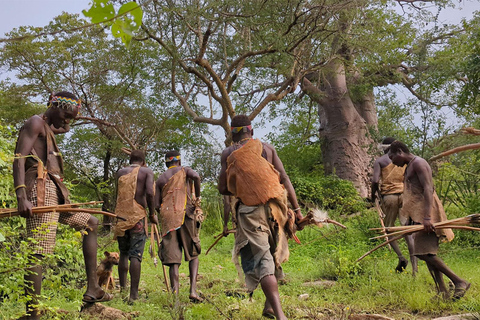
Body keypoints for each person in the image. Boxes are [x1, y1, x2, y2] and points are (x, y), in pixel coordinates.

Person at [13, 91, 111, 319]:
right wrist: (21, 195)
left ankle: (92, 288)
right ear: (54, 105)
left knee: (91, 222)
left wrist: (66, 122)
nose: (67, 122)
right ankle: (33, 313)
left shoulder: (46, 126)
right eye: (66, 115)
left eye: (71, 118)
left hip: (55, 190)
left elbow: (61, 127)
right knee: (38, 249)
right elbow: (19, 158)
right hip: (39, 188)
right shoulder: (35, 122)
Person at [218, 115, 304, 320]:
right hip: (277, 208)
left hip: (250, 213)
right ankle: (269, 308)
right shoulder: (268, 149)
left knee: (263, 259)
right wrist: (298, 210)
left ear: (232, 134)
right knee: (273, 254)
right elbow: (283, 178)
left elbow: (222, 188)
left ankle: (280, 315)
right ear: (252, 131)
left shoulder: (229, 153)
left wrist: (244, 187)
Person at [388, 140, 470, 300]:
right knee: (426, 252)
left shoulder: (419, 163)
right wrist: (413, 219)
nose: (392, 162)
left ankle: (459, 281)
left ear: (399, 151)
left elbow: (428, 188)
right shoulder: (410, 165)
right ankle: (442, 291)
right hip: (420, 215)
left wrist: (427, 217)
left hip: (429, 214)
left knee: (423, 253)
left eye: (392, 157)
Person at [155, 151, 203, 302]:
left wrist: (165, 211)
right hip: (186, 214)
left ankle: (175, 296)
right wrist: (197, 197)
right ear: (179, 162)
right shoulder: (185, 171)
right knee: (193, 253)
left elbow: (156, 204)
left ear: (166, 163)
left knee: (172, 259)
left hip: (168, 218)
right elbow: (196, 177)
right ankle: (193, 291)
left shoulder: (161, 178)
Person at [114, 150, 157, 303]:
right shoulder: (146, 171)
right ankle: (133, 295)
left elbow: (117, 195)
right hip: (137, 216)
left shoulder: (120, 172)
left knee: (123, 253)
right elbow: (150, 193)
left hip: (120, 216)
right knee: (135, 256)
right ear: (143, 162)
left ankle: (123, 291)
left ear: (130, 159)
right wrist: (152, 214)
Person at [371, 137, 416, 274]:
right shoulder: (403, 159)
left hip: (389, 197)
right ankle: (415, 268)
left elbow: (375, 180)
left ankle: (401, 257)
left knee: (389, 229)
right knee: (407, 230)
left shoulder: (380, 161)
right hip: (404, 194)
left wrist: (373, 195)